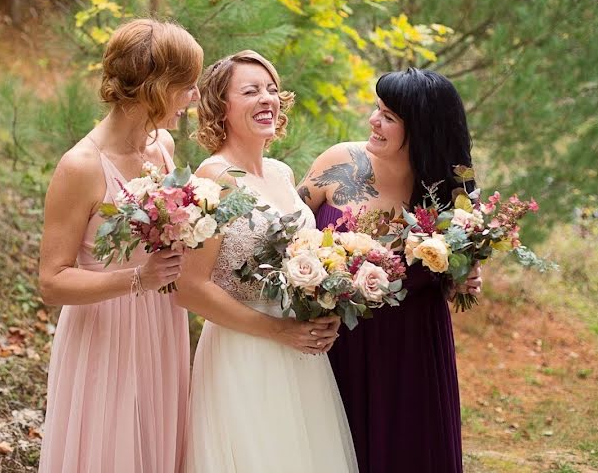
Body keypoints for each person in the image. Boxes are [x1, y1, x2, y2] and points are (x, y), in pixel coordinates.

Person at [175, 50, 357, 473]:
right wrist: (279, 331)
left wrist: (322, 311)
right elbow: (189, 288)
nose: (267, 99)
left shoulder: (281, 173)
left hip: (300, 353)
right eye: (251, 91)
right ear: (221, 107)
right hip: (244, 350)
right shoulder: (212, 178)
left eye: (272, 90)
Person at [37, 19, 202, 473]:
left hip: (162, 323)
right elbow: (52, 282)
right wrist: (136, 278)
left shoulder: (162, 146)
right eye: (184, 86)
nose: (192, 97)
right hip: (105, 333)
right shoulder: (81, 166)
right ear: (154, 87)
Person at [298, 67, 481, 473]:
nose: (373, 121)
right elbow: (288, 232)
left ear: (422, 129)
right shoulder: (339, 162)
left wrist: (463, 279)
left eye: (389, 117)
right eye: (376, 108)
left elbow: (455, 277)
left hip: (413, 351)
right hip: (337, 341)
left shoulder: (452, 195)